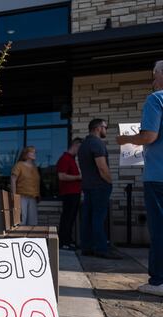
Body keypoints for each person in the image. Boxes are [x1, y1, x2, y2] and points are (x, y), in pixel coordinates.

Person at [116, 60, 163, 295]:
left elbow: (150, 136)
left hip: (159, 176)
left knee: (159, 229)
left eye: (153, 76)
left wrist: (125, 140)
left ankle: (158, 282)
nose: (152, 81)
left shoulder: (156, 99)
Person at [78, 119, 121, 260]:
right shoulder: (97, 143)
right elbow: (102, 168)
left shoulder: (83, 145)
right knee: (98, 218)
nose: (106, 130)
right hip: (99, 186)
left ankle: (87, 248)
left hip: (88, 186)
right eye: (105, 127)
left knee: (88, 218)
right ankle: (101, 249)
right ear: (98, 128)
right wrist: (110, 182)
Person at [56, 138, 83, 250]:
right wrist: (79, 177)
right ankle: (63, 242)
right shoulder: (65, 158)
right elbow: (61, 176)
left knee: (71, 218)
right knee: (67, 218)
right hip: (69, 194)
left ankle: (68, 240)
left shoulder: (71, 159)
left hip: (75, 193)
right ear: (75, 145)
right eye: (80, 148)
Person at [11, 146, 40, 226]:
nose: (34, 154)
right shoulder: (19, 165)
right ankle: (20, 238)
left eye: (35, 152)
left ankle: (31, 238)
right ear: (26, 154)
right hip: (22, 196)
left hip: (33, 197)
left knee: (33, 222)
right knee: (21, 220)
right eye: (32, 152)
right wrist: (14, 195)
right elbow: (13, 179)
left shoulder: (34, 167)